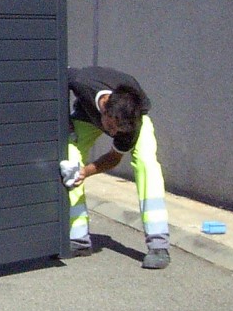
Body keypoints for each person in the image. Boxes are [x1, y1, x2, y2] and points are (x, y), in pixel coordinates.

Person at [64, 66, 170, 269]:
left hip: (131, 119)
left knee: (146, 163)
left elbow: (113, 158)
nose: (113, 134)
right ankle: (78, 239)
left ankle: (159, 245)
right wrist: (65, 122)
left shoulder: (130, 125)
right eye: (111, 127)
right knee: (69, 160)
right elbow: (60, 78)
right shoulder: (82, 81)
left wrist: (86, 172)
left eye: (117, 131)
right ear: (105, 108)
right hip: (86, 116)